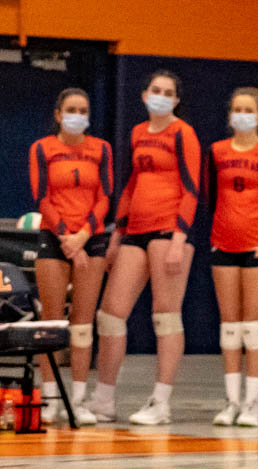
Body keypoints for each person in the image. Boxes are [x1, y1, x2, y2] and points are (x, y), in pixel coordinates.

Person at [90, 70, 200, 425]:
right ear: (144, 94)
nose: (162, 96)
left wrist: (179, 240)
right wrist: (117, 235)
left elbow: (191, 186)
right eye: (156, 90)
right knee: (110, 314)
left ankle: (160, 402)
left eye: (169, 92)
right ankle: (103, 399)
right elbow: (131, 185)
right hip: (134, 231)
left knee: (165, 317)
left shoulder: (183, 132)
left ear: (177, 99)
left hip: (169, 231)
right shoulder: (138, 132)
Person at [205, 87, 258, 427]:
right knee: (229, 329)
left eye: (248, 109)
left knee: (253, 328)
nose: (241, 114)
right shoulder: (217, 151)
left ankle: (252, 404)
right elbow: (212, 196)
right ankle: (231, 402)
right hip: (223, 244)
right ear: (230, 115)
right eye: (236, 108)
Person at [27, 88, 112, 425]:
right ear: (59, 115)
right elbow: (42, 196)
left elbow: (104, 197)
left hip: (90, 238)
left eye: (84, 109)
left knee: (82, 325)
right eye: (71, 109)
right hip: (54, 237)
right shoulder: (42, 148)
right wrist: (66, 237)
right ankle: (50, 399)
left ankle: (78, 401)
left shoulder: (101, 149)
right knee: (51, 321)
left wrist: (82, 237)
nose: (78, 115)